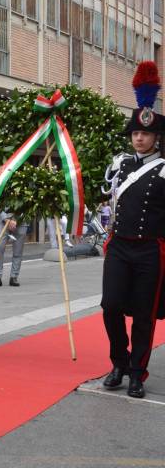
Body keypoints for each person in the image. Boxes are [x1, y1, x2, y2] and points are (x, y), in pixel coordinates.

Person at [100, 61, 165, 398]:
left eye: (146, 134)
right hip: (120, 247)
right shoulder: (118, 164)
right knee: (110, 306)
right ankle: (119, 361)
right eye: (136, 133)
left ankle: (138, 372)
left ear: (156, 137)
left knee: (144, 315)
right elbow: (102, 197)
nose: (139, 138)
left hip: (150, 250)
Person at [0, 211, 28, 287]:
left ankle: (14, 276)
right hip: (2, 220)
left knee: (18, 251)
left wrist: (17, 220)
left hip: (22, 221)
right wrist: (6, 219)